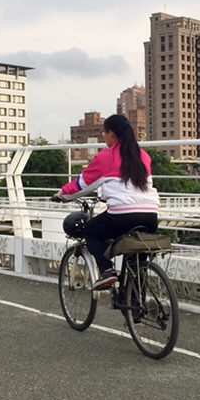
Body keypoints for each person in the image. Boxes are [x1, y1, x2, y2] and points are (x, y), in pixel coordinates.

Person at [53, 113, 160, 290]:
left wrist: (62, 195)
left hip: (123, 216)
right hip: (150, 215)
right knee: (136, 265)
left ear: (111, 133)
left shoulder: (106, 157)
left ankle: (107, 271)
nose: (104, 138)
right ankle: (135, 309)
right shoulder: (143, 156)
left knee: (91, 231)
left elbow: (83, 184)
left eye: (104, 133)